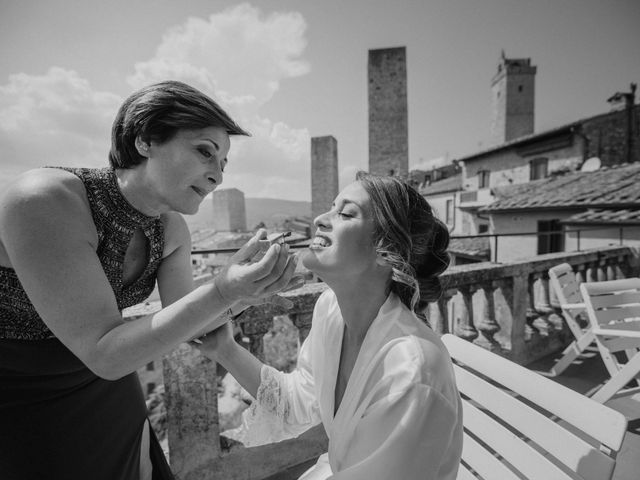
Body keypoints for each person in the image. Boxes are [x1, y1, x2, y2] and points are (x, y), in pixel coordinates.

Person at [0, 80, 299, 480]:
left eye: (223, 164)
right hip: (17, 390)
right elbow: (104, 351)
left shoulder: (170, 228)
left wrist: (250, 290)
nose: (217, 177)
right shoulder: (45, 199)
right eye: (204, 152)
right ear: (145, 141)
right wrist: (226, 288)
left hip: (108, 386)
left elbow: (196, 324)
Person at [198, 172, 463, 479]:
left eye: (346, 213)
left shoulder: (410, 371)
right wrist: (225, 349)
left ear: (386, 251)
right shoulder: (331, 310)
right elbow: (297, 401)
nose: (320, 219)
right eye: (330, 208)